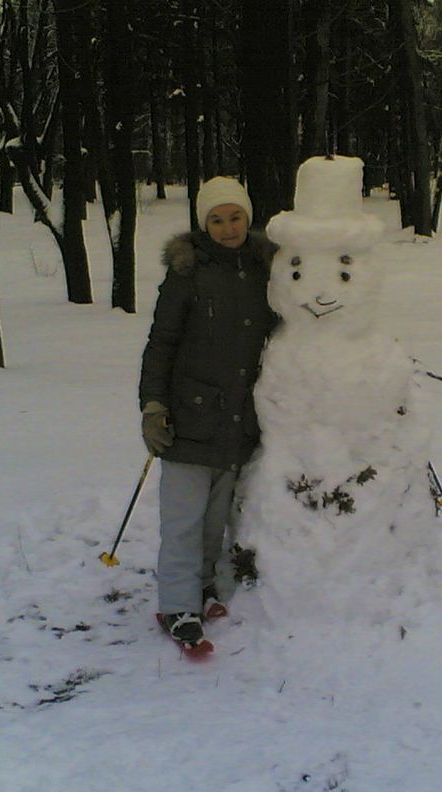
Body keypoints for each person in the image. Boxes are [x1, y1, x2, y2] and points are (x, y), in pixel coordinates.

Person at [138, 176, 277, 651]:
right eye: (216, 219)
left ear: (249, 217)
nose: (227, 227)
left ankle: (203, 587)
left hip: (238, 417)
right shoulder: (187, 271)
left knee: (215, 516)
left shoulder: (265, 269)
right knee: (182, 518)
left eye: (235, 216)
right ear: (203, 223)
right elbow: (161, 343)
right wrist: (153, 405)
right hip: (189, 416)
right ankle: (177, 605)